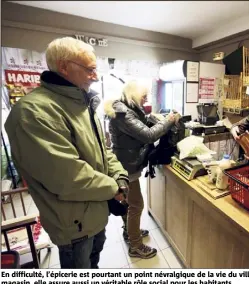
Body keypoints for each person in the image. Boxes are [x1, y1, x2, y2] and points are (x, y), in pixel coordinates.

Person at [4, 37, 129, 269]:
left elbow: (104, 152)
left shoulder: (82, 105)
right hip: (74, 226)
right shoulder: (34, 111)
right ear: (64, 67)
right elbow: (68, 177)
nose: (96, 76)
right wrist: (114, 189)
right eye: (89, 69)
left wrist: (120, 177)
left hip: (95, 214)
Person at [104, 80, 180, 259]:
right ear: (133, 93)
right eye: (143, 95)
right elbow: (148, 135)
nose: (146, 99)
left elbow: (144, 124)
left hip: (127, 161)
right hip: (127, 165)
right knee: (136, 204)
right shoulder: (123, 114)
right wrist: (169, 121)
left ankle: (129, 232)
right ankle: (136, 245)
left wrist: (156, 118)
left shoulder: (128, 109)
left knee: (128, 202)